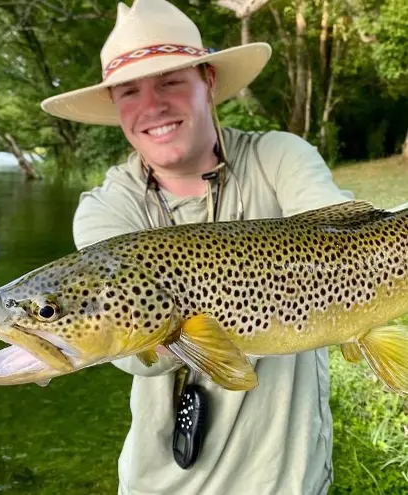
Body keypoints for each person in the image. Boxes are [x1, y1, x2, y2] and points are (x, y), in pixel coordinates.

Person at [41, 0, 354, 493]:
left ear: (207, 80)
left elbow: (351, 241)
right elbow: (134, 348)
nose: (152, 106)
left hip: (291, 478)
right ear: (115, 108)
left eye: (169, 81)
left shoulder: (278, 156)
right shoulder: (106, 209)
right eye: (129, 92)